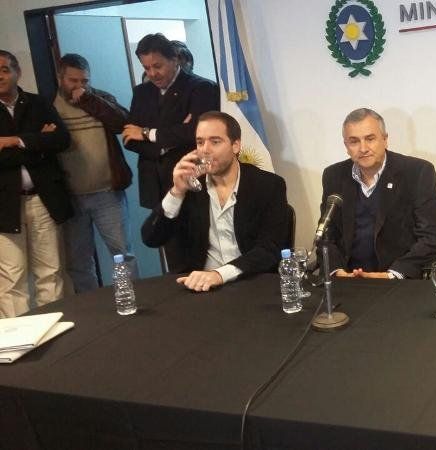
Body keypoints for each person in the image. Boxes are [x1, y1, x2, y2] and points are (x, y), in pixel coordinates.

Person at [141, 111, 289, 292]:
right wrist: (177, 192)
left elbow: (269, 249)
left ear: (235, 146)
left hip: (250, 283)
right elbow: (151, 238)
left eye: (215, 141)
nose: (205, 149)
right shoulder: (189, 185)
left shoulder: (268, 185)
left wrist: (219, 274)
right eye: (200, 142)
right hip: (200, 287)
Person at [123, 33, 219, 270]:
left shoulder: (200, 88)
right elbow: (130, 138)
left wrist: (148, 132)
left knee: (201, 249)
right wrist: (168, 140)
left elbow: (194, 133)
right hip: (157, 183)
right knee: (172, 252)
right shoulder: (142, 92)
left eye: (158, 66)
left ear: (174, 59)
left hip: (194, 181)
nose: (152, 73)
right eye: (146, 67)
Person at [319, 108, 436, 279]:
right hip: (347, 279)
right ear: (346, 146)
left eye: (370, 139)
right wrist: (337, 272)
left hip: (396, 281)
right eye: (354, 141)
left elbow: (432, 238)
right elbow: (326, 235)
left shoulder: (417, 172)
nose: (363, 148)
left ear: (385, 140)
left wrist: (391, 275)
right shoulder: (334, 175)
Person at [53, 53, 136, 293]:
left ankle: (130, 300)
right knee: (79, 261)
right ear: (60, 78)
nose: (79, 86)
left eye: (84, 81)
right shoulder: (49, 105)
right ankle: (90, 308)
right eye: (73, 81)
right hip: (71, 197)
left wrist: (89, 100)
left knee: (122, 254)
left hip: (108, 193)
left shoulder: (100, 98)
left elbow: (122, 123)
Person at [0, 50, 72, 317]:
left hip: (42, 199)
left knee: (50, 271)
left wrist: (13, 141)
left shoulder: (37, 103)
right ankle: (18, 335)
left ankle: (54, 328)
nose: (0, 76)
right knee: (12, 278)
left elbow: (61, 140)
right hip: (5, 205)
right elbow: (46, 145)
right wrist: (37, 142)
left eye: (4, 70)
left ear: (17, 72)